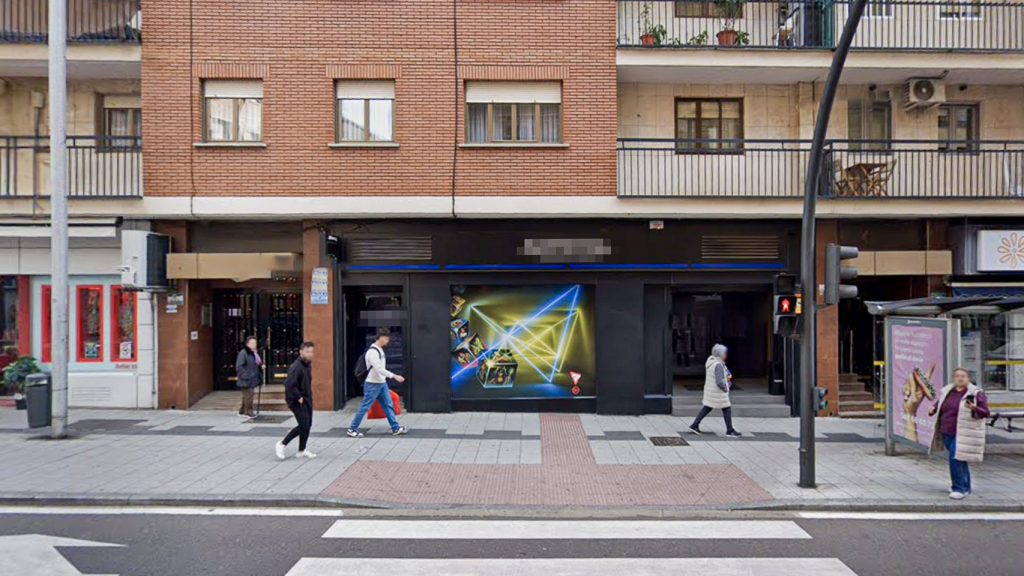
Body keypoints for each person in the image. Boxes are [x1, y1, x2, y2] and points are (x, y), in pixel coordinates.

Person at [928, 367, 990, 500]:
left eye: (963, 376)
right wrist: (933, 408)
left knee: (955, 458)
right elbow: (940, 404)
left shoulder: (975, 393)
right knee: (960, 458)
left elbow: (985, 412)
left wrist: (974, 408)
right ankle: (966, 486)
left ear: (968, 379)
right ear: (953, 378)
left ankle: (958, 488)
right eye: (957, 376)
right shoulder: (948, 391)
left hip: (964, 431)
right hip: (947, 430)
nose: (960, 378)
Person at [347, 327, 408, 438]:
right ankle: (352, 428)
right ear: (381, 338)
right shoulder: (372, 352)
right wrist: (394, 376)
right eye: (386, 339)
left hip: (381, 383)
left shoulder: (380, 350)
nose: (388, 341)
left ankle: (395, 428)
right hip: (372, 384)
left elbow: (380, 369)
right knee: (365, 407)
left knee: (388, 405)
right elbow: (378, 368)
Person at [689, 344, 742, 437]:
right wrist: (725, 388)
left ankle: (694, 425)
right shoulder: (718, 365)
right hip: (718, 392)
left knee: (708, 407)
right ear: (721, 354)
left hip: (711, 391)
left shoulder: (711, 362)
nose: (726, 355)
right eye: (725, 353)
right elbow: (719, 381)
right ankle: (729, 430)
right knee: (726, 408)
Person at [275, 341, 317, 460]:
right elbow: (289, 384)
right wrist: (299, 397)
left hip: (307, 398)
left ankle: (301, 450)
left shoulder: (307, 364)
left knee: (308, 425)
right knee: (304, 424)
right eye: (307, 351)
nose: (310, 354)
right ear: (301, 352)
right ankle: (282, 444)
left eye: (312, 352)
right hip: (296, 400)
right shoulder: (296, 366)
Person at [235, 336, 262, 419]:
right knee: (249, 395)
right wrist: (246, 376)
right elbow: (239, 366)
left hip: (252, 378)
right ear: (247, 344)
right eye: (252, 343)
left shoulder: (254, 353)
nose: (254, 344)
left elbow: (255, 365)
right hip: (246, 379)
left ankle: (242, 411)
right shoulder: (243, 353)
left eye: (255, 343)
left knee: (246, 396)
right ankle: (248, 412)